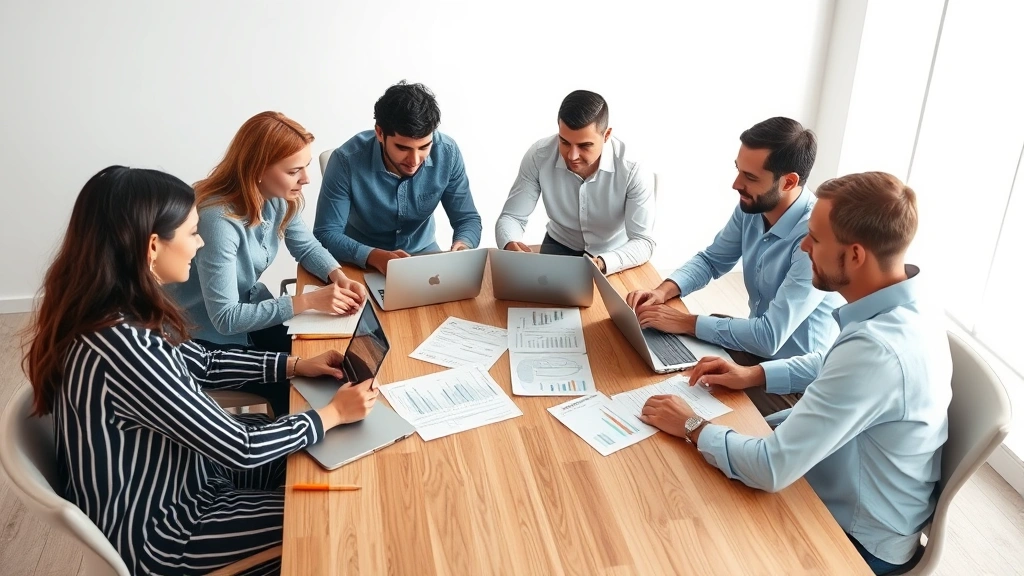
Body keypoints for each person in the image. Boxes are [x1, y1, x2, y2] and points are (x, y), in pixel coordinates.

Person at [23, 166, 379, 575]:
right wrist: (332, 414)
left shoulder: (115, 313)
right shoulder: (123, 346)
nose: (201, 242)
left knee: (331, 453)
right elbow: (240, 448)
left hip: (192, 474)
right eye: (193, 232)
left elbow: (205, 361)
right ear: (153, 246)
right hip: (169, 530)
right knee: (336, 511)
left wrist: (295, 364)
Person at [639, 172, 951, 575]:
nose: (803, 246)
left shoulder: (876, 350)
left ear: (855, 255)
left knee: (676, 535)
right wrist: (753, 375)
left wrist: (692, 425)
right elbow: (832, 363)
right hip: (842, 486)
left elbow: (771, 469)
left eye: (816, 239)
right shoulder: (908, 302)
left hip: (853, 539)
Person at [626, 117, 843, 414]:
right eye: (738, 170)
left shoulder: (814, 239)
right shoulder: (755, 206)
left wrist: (686, 322)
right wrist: (664, 290)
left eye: (750, 177)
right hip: (754, 353)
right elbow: (713, 259)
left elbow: (769, 337)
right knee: (651, 359)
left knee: (682, 397)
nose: (736, 184)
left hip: (791, 382)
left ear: (789, 182)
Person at [166, 111, 366, 356]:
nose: (306, 179)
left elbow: (306, 246)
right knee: (301, 379)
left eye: (307, 167)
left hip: (250, 312)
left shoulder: (276, 200)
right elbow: (225, 318)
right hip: (205, 339)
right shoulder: (217, 222)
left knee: (331, 356)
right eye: (294, 171)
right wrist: (309, 301)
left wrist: (338, 276)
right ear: (258, 170)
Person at [314, 81, 482, 274]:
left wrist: (463, 247)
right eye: (402, 148)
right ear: (379, 133)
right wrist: (374, 256)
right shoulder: (345, 160)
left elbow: (467, 218)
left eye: (424, 147)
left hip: (423, 256)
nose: (414, 160)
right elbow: (326, 234)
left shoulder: (448, 152)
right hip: (359, 261)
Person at [494, 90, 655, 274]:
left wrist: (603, 262)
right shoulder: (539, 155)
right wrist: (510, 244)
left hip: (615, 256)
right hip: (558, 246)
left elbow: (643, 241)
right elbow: (511, 217)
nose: (572, 156)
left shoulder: (633, 168)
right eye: (564, 142)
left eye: (585, 146)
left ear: (607, 135)